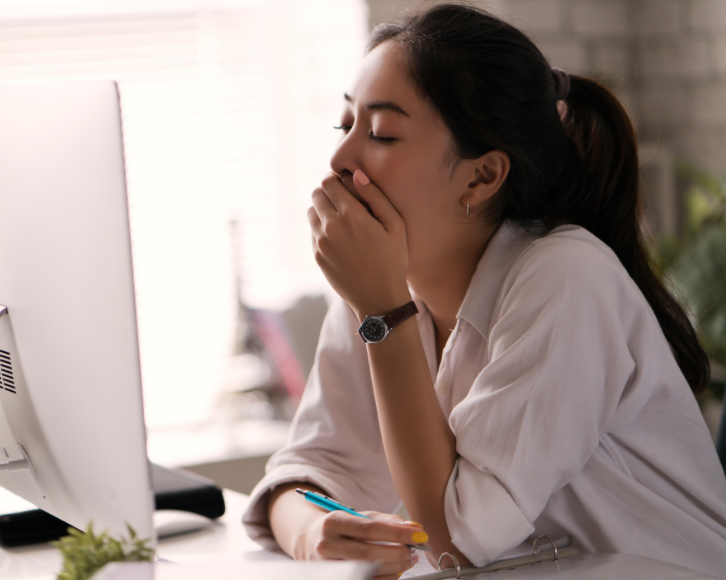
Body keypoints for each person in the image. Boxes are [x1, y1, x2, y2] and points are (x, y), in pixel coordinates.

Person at [242, 4, 726, 578]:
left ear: (481, 176)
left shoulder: (565, 277)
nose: (341, 158)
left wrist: (382, 313)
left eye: (381, 133)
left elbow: (455, 541)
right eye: (344, 125)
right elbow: (308, 468)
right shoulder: (375, 285)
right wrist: (310, 532)